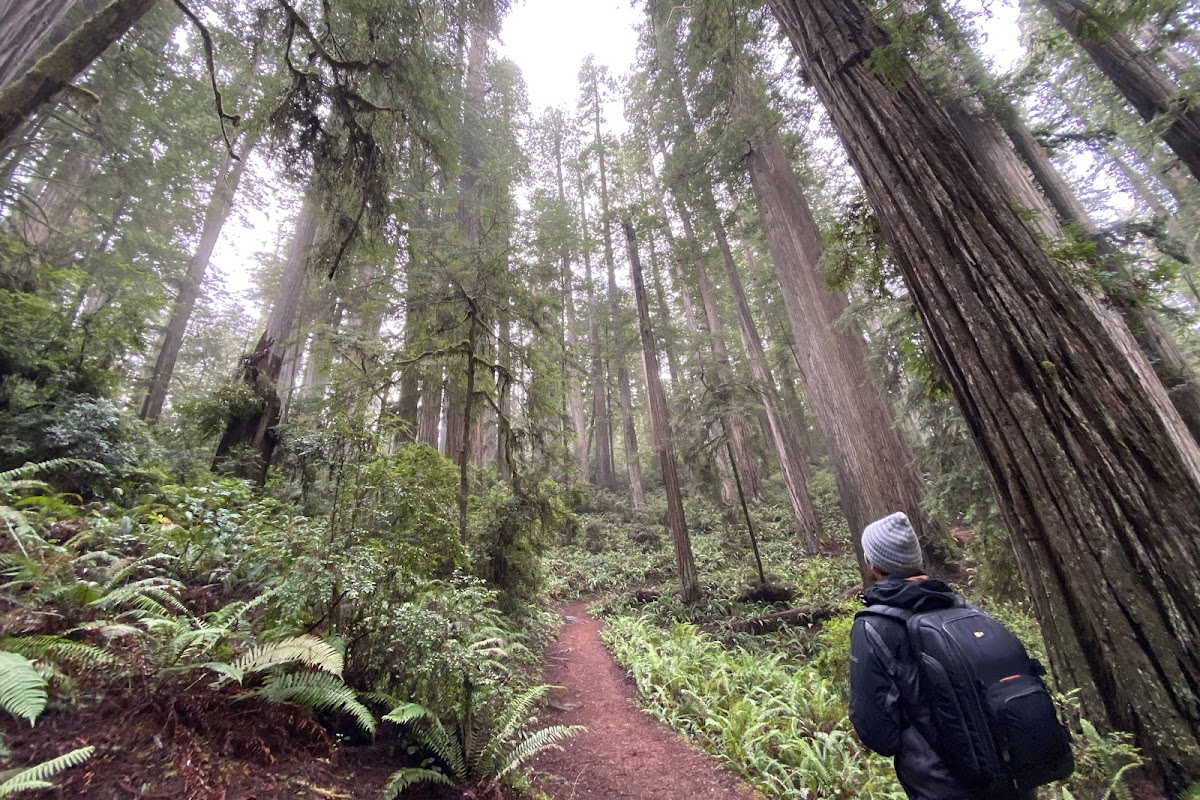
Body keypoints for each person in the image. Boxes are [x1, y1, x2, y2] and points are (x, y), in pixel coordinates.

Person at [848, 511, 1036, 800]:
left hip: (940, 786)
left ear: (873, 563)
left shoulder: (873, 626)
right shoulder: (961, 607)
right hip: (1010, 775)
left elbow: (877, 731)